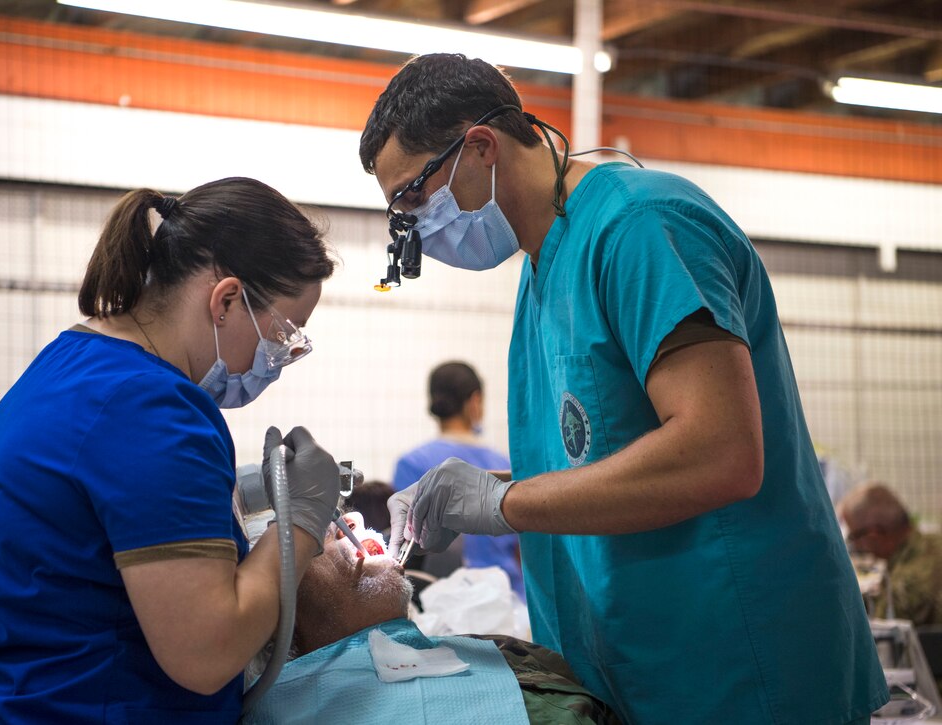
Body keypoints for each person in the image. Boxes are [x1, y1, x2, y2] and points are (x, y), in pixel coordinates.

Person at [361, 54, 887, 723]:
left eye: (414, 197)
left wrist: (507, 501)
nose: (413, 231)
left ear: (481, 147)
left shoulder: (641, 227)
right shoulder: (542, 268)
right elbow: (599, 459)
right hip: (639, 667)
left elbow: (721, 450)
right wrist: (482, 490)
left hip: (735, 667)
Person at [0, 178, 343, 723]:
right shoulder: (153, 409)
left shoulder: (72, 363)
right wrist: (303, 523)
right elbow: (207, 652)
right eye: (283, 333)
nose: (277, 358)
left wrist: (230, 492)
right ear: (226, 299)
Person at [243, 512, 617, 725]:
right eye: (320, 533)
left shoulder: (494, 650)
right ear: (275, 616)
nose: (352, 519)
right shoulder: (283, 711)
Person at [393, 361, 523, 598]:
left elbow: (408, 546)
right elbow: (520, 547)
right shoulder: (503, 464)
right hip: (510, 597)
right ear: (475, 401)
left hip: (445, 602)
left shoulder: (411, 463)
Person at [839, 482, 942, 625]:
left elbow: (880, 635)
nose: (854, 545)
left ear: (873, 534)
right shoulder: (932, 544)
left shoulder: (906, 584)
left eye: (853, 537)